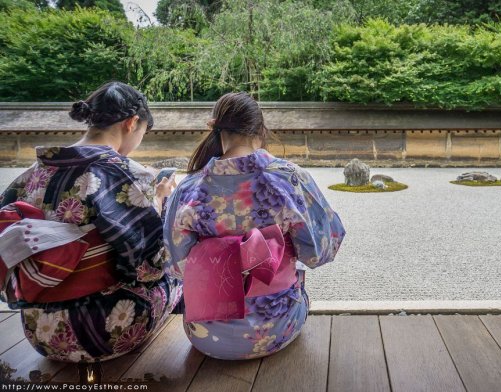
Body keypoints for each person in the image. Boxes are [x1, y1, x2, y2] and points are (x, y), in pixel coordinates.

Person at [0, 81, 182, 362]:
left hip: (39, 332)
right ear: (132, 123)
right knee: (177, 275)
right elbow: (148, 267)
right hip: (104, 332)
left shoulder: (33, 174)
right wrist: (160, 201)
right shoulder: (123, 172)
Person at [163, 92, 346, 360]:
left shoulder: (190, 187)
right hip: (276, 328)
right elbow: (321, 251)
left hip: (206, 334)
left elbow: (176, 267)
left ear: (215, 129)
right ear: (260, 129)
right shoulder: (287, 179)